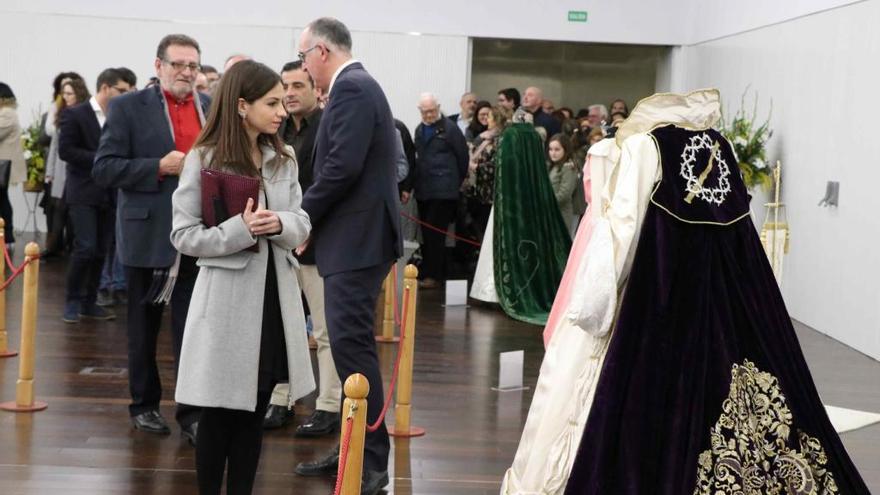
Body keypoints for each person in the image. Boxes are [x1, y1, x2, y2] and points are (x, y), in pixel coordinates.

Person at [563, 89, 871, 495]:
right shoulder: (720, 144)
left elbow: (622, 229)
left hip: (666, 292)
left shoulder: (646, 146)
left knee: (652, 405)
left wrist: (593, 309)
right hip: (739, 290)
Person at [170, 59, 313, 495]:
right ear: (240, 106)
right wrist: (240, 230)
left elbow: (302, 221)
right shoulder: (204, 158)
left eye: (282, 102)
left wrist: (281, 224)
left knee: (255, 412)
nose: (282, 111)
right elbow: (183, 235)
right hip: (226, 303)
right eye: (271, 103)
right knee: (218, 413)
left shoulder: (282, 157)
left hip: (275, 300)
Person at [292, 17, 401, 495]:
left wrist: (301, 218)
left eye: (301, 57)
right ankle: (353, 446)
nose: (300, 66)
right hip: (355, 239)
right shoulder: (354, 87)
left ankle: (371, 461)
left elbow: (340, 167)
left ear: (320, 51)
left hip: (356, 242)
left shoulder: (353, 88)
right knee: (349, 351)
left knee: (353, 351)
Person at [93, 33, 209, 443]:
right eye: (178, 64)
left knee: (194, 329)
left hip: (200, 237)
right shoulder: (127, 107)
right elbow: (104, 168)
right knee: (143, 328)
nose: (186, 73)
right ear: (158, 66)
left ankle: (192, 411)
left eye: (193, 65)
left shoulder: (209, 107)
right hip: (147, 233)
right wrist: (158, 166)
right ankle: (143, 405)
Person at [263, 60, 342, 437]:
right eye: (285, 86)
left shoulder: (328, 124)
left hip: (318, 243)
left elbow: (331, 183)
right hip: (280, 244)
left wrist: (306, 226)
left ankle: (329, 403)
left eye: (298, 85)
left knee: (324, 330)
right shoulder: (273, 129)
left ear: (315, 88)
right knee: (281, 326)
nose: (290, 93)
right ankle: (280, 398)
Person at [469, 109, 571, 324]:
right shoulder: (533, 137)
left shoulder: (510, 137)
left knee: (498, 244)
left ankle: (491, 293)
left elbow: (502, 170)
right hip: (528, 203)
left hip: (507, 201)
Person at [58, 68, 132, 323]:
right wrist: (103, 161)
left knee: (101, 249)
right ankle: (72, 301)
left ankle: (89, 302)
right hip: (83, 192)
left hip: (110, 193)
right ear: (105, 88)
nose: (125, 96)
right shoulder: (75, 114)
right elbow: (66, 151)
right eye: (122, 91)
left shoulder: (120, 116)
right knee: (85, 247)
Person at [405, 92, 468, 289]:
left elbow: (462, 157)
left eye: (431, 111)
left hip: (444, 191)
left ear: (438, 108)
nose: (429, 115)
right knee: (426, 234)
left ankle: (435, 276)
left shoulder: (450, 129)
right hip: (425, 190)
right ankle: (429, 271)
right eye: (425, 112)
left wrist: (454, 183)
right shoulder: (419, 129)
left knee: (436, 235)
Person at [44, 78, 90, 260]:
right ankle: (54, 247)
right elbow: (55, 147)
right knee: (58, 209)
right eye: (64, 93)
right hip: (62, 171)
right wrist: (50, 172)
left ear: (79, 93)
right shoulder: (62, 113)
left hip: (79, 171)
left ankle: (71, 247)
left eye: (70, 93)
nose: (66, 97)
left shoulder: (86, 114)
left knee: (72, 211)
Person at [463, 104, 510, 242]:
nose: (486, 120)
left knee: (485, 228)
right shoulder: (484, 137)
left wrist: (476, 167)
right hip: (478, 191)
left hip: (490, 194)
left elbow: (496, 165)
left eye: (489, 117)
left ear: (496, 119)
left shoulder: (501, 139)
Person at [0, 83, 26, 246]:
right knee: (2, 199)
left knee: (2, 200)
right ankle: (6, 235)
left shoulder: (7, 113)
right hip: (3, 165)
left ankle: (8, 235)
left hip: (3, 165)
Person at [546, 134, 579, 237]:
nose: (553, 153)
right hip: (551, 213)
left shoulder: (568, 167)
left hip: (561, 214)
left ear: (565, 150)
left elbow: (565, 194)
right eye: (551, 149)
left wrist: (545, 203)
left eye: (557, 149)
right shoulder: (553, 165)